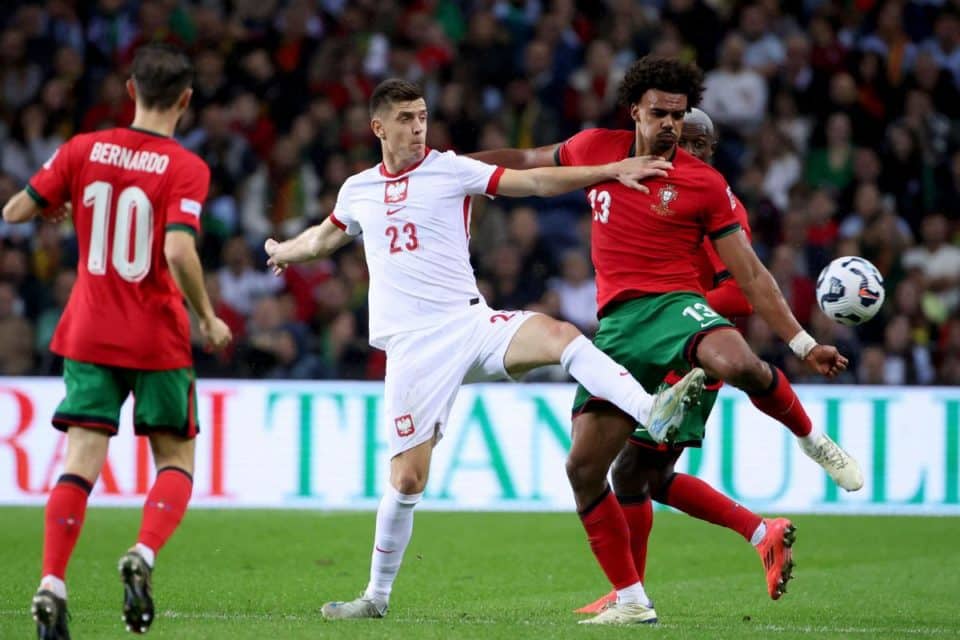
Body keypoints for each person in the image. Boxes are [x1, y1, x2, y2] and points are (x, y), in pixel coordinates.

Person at [262, 78, 705, 622]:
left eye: (423, 116)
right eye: (405, 119)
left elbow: (535, 181)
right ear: (378, 127)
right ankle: (374, 598)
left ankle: (650, 410)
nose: (418, 128)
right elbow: (324, 238)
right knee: (408, 480)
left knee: (562, 336)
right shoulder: (358, 189)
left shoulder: (450, 169)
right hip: (413, 348)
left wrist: (610, 170)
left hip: (470, 323)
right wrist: (283, 250)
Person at [471, 56, 858, 625]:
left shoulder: (707, 187)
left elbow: (749, 279)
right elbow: (527, 163)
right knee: (596, 471)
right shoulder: (597, 150)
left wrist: (802, 344)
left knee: (737, 366)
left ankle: (811, 441)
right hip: (617, 329)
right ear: (635, 111)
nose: (674, 128)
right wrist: (449, 169)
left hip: (678, 312)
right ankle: (634, 598)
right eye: (662, 115)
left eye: (682, 117)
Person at [574, 107, 846, 615]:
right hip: (668, 343)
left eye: (701, 144)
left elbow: (740, 293)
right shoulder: (653, 190)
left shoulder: (713, 202)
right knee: (641, 475)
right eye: (687, 143)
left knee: (632, 473)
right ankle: (755, 534)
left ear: (712, 151)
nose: (691, 152)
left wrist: (669, 312)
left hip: (690, 352)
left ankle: (636, 591)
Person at [2, 43, 232, 639]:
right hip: (155, 336)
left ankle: (52, 581)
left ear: (131, 91)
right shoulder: (186, 166)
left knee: (80, 461)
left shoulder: (82, 149)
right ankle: (142, 553)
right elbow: (178, 249)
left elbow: (17, 211)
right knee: (175, 460)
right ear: (185, 99)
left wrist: (57, 202)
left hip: (88, 331)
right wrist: (207, 317)